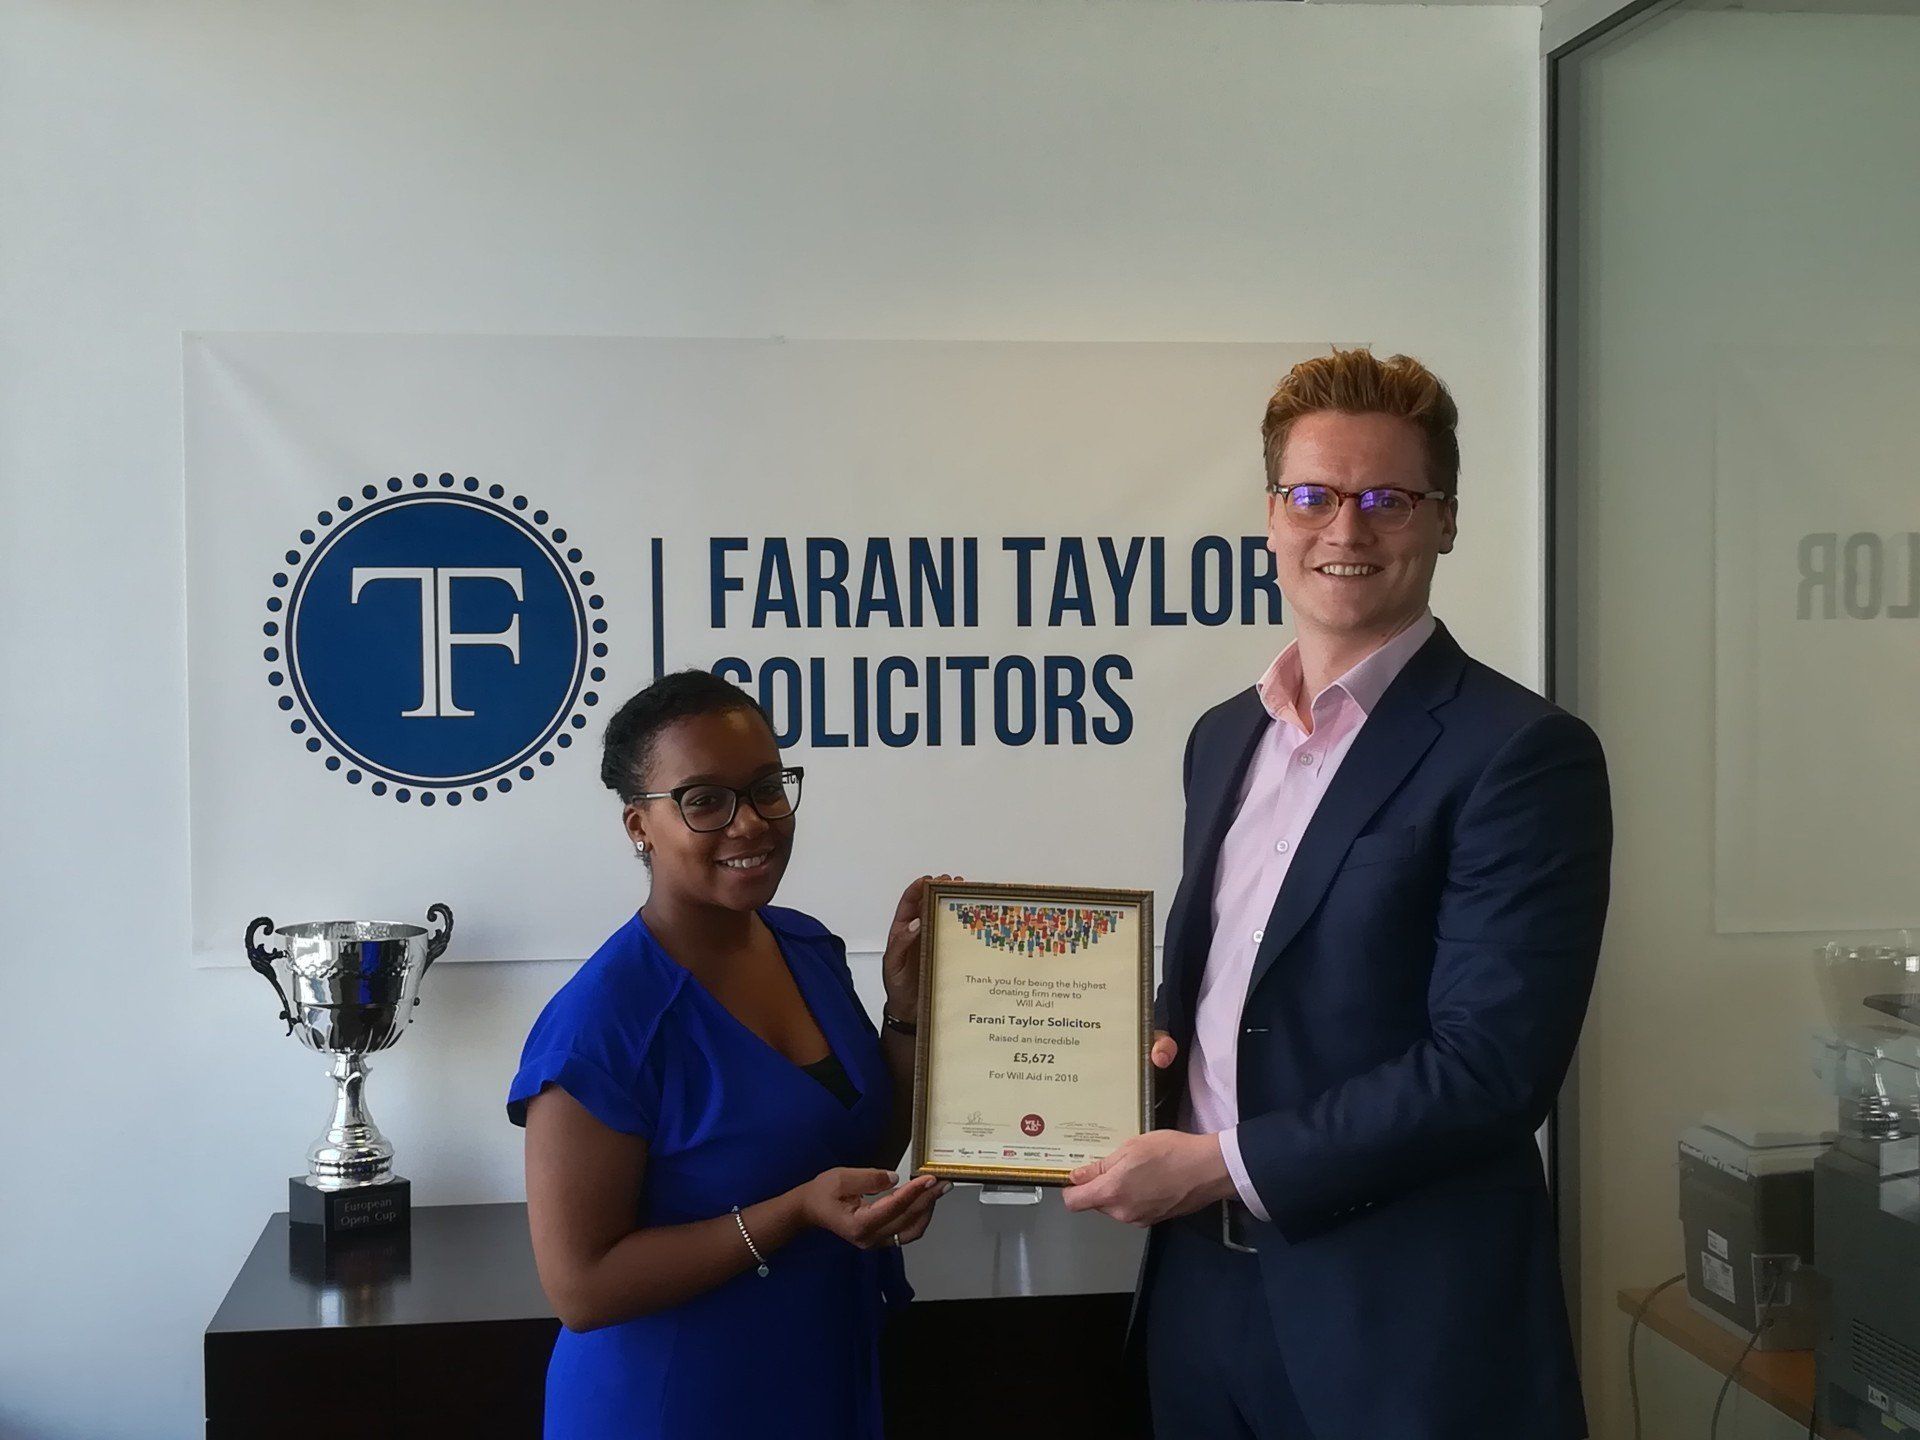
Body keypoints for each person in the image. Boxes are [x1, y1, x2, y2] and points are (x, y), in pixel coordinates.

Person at [1063, 349, 1612, 1439]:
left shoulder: (1522, 755)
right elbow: (1228, 997)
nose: (1345, 532)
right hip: (1199, 1304)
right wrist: (1105, 1062)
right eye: (1313, 496)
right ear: (1272, 515)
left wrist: (1222, 1163)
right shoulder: (1225, 738)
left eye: (1386, 499)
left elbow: (1490, 1070)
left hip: (1401, 1330)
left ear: (1445, 520)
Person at [508, 670, 951, 1439]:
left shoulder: (806, 947)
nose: (751, 823)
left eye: (767, 787)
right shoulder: (601, 1023)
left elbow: (861, 1149)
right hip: (674, 1402)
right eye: (704, 800)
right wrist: (792, 1214)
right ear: (638, 826)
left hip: (821, 1372)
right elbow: (580, 1288)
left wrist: (906, 1017)